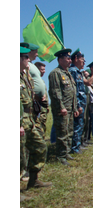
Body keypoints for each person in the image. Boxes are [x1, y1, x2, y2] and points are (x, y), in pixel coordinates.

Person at [20, 46, 52, 194]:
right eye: (26, 57)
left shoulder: (25, 76)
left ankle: (33, 180)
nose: (29, 60)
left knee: (39, 146)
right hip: (21, 120)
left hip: (29, 118)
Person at [48, 48, 79, 166]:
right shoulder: (55, 73)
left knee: (69, 131)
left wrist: (75, 108)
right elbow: (55, 92)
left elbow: (72, 93)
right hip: (62, 109)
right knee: (62, 132)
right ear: (60, 59)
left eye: (70, 58)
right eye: (67, 58)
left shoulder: (68, 74)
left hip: (70, 108)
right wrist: (61, 107)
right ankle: (60, 156)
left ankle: (66, 153)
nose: (70, 60)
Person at [68, 48, 93, 154]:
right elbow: (74, 90)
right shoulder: (72, 71)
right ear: (75, 58)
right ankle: (74, 148)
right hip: (77, 104)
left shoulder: (78, 72)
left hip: (81, 103)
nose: (84, 62)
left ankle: (77, 146)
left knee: (80, 125)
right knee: (76, 126)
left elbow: (88, 83)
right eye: (82, 59)